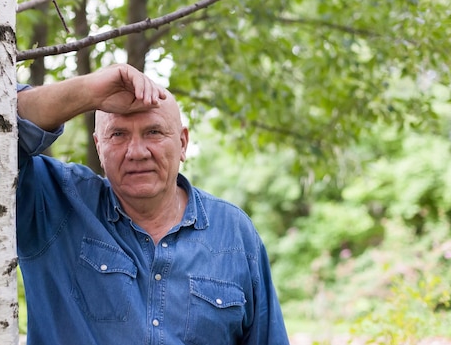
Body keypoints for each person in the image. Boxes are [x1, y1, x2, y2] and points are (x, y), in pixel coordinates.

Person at [16, 63, 290, 345]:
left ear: (183, 143)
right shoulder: (52, 204)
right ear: (99, 146)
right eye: (119, 134)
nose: (137, 152)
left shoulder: (234, 233)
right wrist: (88, 91)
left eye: (154, 132)